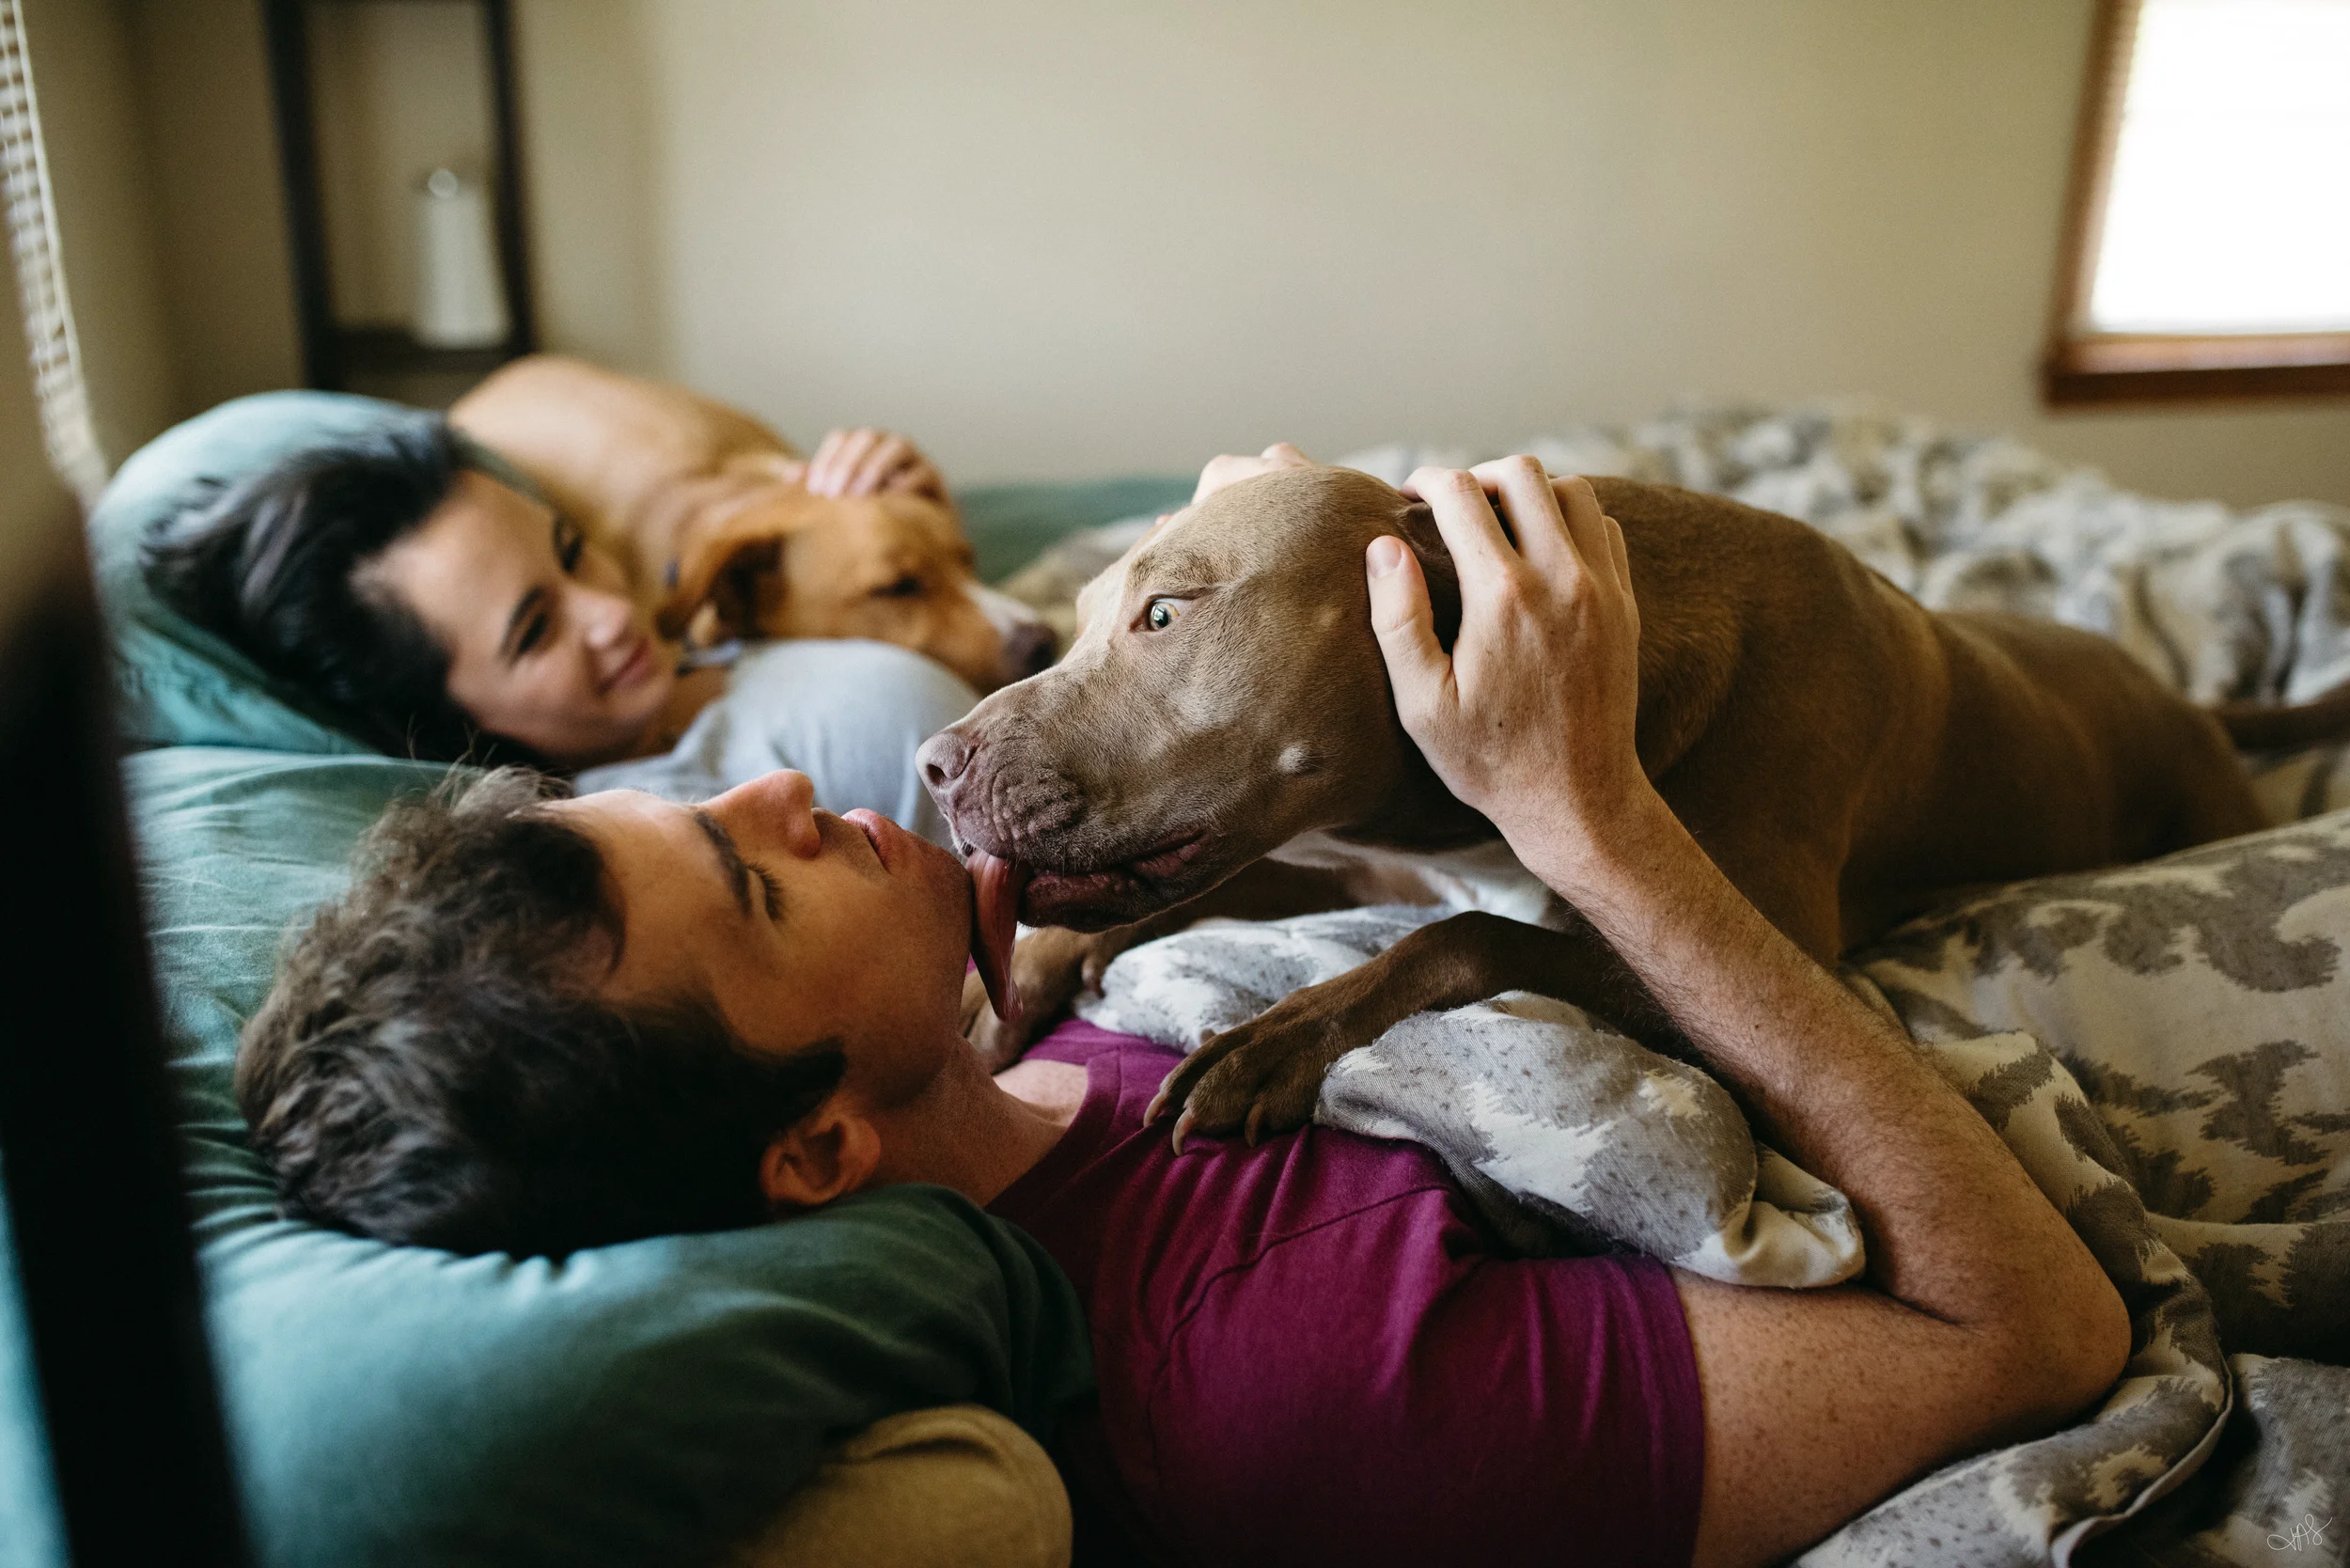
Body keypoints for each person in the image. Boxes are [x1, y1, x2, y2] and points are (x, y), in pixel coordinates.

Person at [233, 458, 2131, 1568]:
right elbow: (2029, 1334)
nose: (800, 789)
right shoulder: (1276, 1359)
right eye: (750, 877)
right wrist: (1598, 826)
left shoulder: (1037, 1035)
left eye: (709, 793)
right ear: (812, 1144)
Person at [141, 411, 974, 842]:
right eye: (535, 631)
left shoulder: (712, 630)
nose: (613, 612)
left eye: (573, 553)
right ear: (449, 720)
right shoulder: (664, 829)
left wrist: (917, 522)